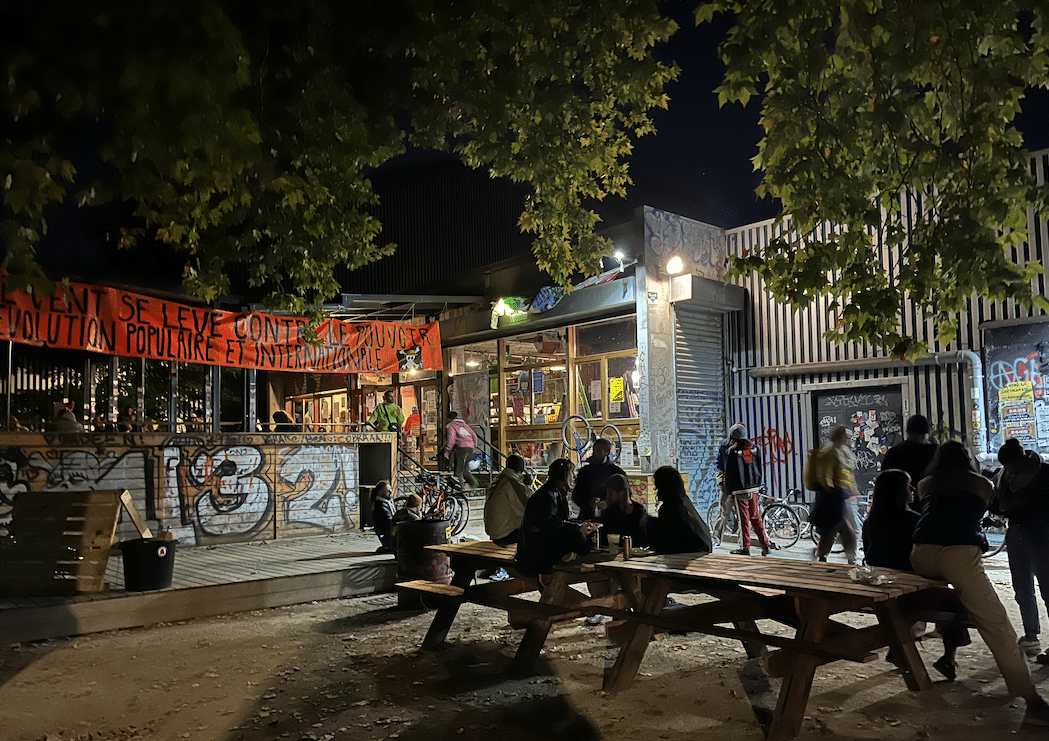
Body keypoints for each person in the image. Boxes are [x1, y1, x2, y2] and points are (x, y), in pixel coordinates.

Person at [910, 441, 1049, 725]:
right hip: (958, 554)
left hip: (920, 553)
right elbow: (988, 509)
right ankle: (1031, 700)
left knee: (946, 598)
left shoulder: (925, 483)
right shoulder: (982, 484)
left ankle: (932, 650)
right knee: (996, 624)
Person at [862, 469, 972, 681]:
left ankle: (899, 647)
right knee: (956, 599)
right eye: (908, 485)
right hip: (906, 591)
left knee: (931, 598)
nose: (912, 489)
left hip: (882, 588)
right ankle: (948, 657)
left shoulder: (871, 522)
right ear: (898, 492)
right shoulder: (913, 521)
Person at [990, 438, 1049, 659]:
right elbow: (995, 502)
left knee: (1047, 588)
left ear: (1023, 459)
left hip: (1042, 534)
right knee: (1022, 588)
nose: (1010, 470)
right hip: (1016, 533)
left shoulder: (1043, 472)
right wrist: (1002, 509)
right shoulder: (1003, 476)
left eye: (1013, 466)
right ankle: (1031, 636)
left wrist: (1026, 503)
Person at [516, 458, 599, 577]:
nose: (574, 477)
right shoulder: (548, 495)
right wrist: (577, 528)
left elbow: (561, 520)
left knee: (586, 534)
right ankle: (567, 556)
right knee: (580, 537)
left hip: (543, 543)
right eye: (572, 473)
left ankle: (570, 555)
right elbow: (549, 523)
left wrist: (580, 524)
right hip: (538, 550)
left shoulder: (556, 491)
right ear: (564, 475)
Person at [807, 425, 859, 564]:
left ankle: (824, 555)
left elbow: (846, 473)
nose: (848, 440)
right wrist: (832, 491)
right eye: (846, 437)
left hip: (840, 496)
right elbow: (825, 475)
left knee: (834, 529)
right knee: (844, 528)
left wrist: (851, 488)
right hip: (834, 497)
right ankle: (849, 557)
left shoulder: (840, 451)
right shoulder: (831, 452)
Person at [721, 425, 775, 556]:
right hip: (754, 489)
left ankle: (745, 548)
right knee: (756, 517)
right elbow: (759, 469)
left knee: (744, 520)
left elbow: (728, 473)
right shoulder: (756, 448)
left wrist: (727, 491)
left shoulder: (732, 451)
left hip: (740, 491)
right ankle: (766, 545)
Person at [645, 466, 712, 555]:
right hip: (702, 551)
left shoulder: (671, 508)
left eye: (657, 486)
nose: (656, 491)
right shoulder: (684, 501)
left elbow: (668, 542)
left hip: (694, 555)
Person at [571, 437, 625, 521]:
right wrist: (587, 502)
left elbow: (625, 496)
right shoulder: (584, 472)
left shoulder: (616, 472)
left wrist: (609, 502)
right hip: (587, 517)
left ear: (607, 453)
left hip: (611, 518)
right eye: (595, 450)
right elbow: (576, 495)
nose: (596, 454)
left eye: (599, 450)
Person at [484, 454, 531, 546]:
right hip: (504, 533)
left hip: (493, 532)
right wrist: (528, 486)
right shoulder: (513, 483)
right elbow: (527, 508)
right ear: (521, 469)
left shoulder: (498, 480)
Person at [881, 414, 937, 487]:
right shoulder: (935, 451)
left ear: (907, 433)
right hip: (928, 494)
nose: (917, 438)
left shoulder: (895, 453)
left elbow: (884, 480)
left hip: (903, 495)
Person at [713, 423, 745, 546]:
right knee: (722, 513)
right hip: (727, 485)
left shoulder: (745, 446)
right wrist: (720, 481)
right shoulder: (724, 445)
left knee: (742, 515)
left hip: (740, 485)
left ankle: (742, 542)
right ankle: (716, 538)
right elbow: (718, 464)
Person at [601, 473, 648, 547]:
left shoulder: (639, 512)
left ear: (622, 493)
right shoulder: (610, 513)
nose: (607, 496)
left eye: (610, 493)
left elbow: (644, 541)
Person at [443, 411, 480, 489]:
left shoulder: (452, 426)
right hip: (470, 448)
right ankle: (474, 484)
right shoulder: (465, 425)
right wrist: (474, 445)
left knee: (458, 471)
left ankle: (461, 488)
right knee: (465, 469)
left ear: (449, 419)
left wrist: (447, 451)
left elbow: (451, 439)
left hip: (461, 448)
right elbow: (474, 435)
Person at [371, 480, 397, 554]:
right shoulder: (380, 505)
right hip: (386, 531)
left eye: (390, 489)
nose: (391, 492)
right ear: (380, 492)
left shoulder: (388, 501)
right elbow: (388, 521)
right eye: (387, 491)